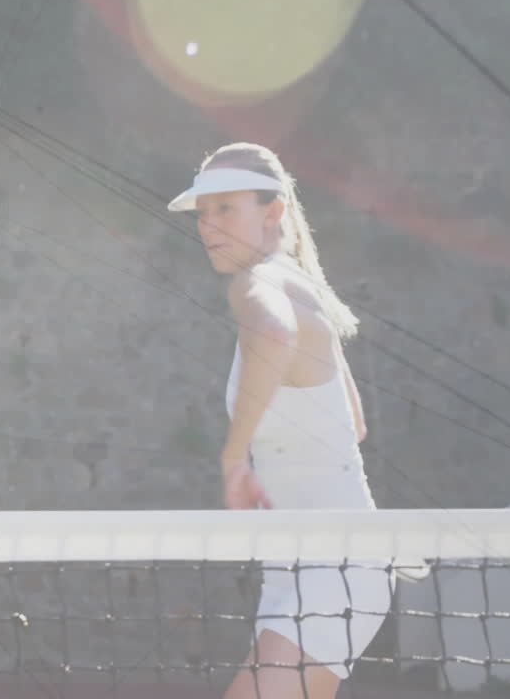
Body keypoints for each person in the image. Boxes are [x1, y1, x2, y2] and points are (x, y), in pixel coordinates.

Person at [168, 142, 393, 699]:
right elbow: (354, 424)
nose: (209, 225)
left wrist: (233, 456)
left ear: (274, 213)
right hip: (302, 568)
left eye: (226, 208)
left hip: (337, 568)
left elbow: (274, 333)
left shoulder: (261, 284)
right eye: (203, 213)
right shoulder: (297, 285)